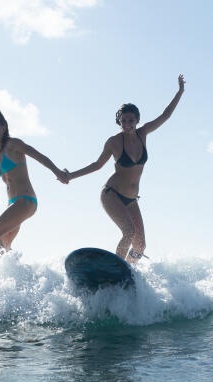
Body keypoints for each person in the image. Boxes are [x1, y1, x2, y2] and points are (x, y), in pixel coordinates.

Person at [58, 74, 185, 263]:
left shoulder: (144, 133)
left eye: (131, 120)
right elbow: (97, 165)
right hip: (112, 194)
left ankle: (127, 269)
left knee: (140, 246)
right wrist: (71, 176)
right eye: (123, 121)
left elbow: (166, 114)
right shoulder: (114, 142)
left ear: (137, 120)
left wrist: (180, 91)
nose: (127, 124)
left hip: (132, 199)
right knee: (129, 232)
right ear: (119, 121)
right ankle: (117, 267)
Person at [0, 110, 66, 254]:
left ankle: (1, 274)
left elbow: (40, 157)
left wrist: (58, 172)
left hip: (26, 200)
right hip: (13, 203)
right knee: (4, 244)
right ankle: (19, 274)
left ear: (4, 127)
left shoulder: (14, 144)